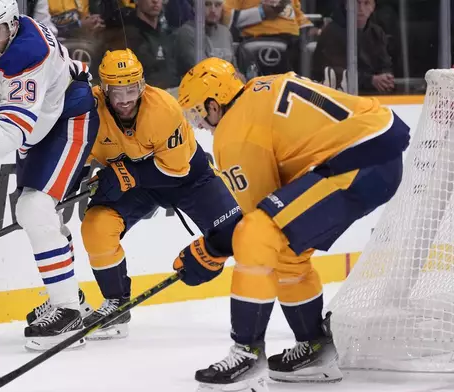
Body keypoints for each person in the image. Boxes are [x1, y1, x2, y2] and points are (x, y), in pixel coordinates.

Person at [175, 58, 410, 391]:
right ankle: (314, 348)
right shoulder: (261, 88)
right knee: (284, 247)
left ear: (214, 104)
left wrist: (212, 249)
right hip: (376, 152)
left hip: (359, 161)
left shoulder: (233, 132)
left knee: (257, 235)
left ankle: (247, 354)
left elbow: (255, 219)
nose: (199, 122)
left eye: (198, 111)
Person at [0, 0, 99, 351]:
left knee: (34, 209)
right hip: (37, 125)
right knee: (38, 214)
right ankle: (69, 297)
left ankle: (69, 313)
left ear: (12, 25)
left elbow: (13, 126)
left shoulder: (30, 51)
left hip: (68, 117)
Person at [77, 49, 241, 340]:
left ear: (141, 85)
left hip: (190, 179)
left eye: (131, 89)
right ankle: (117, 304)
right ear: (104, 89)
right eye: (117, 91)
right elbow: (76, 152)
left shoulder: (163, 108)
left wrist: (125, 176)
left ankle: (291, 302)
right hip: (137, 186)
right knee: (95, 226)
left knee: (240, 235)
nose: (125, 99)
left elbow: (176, 169)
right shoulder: (90, 109)